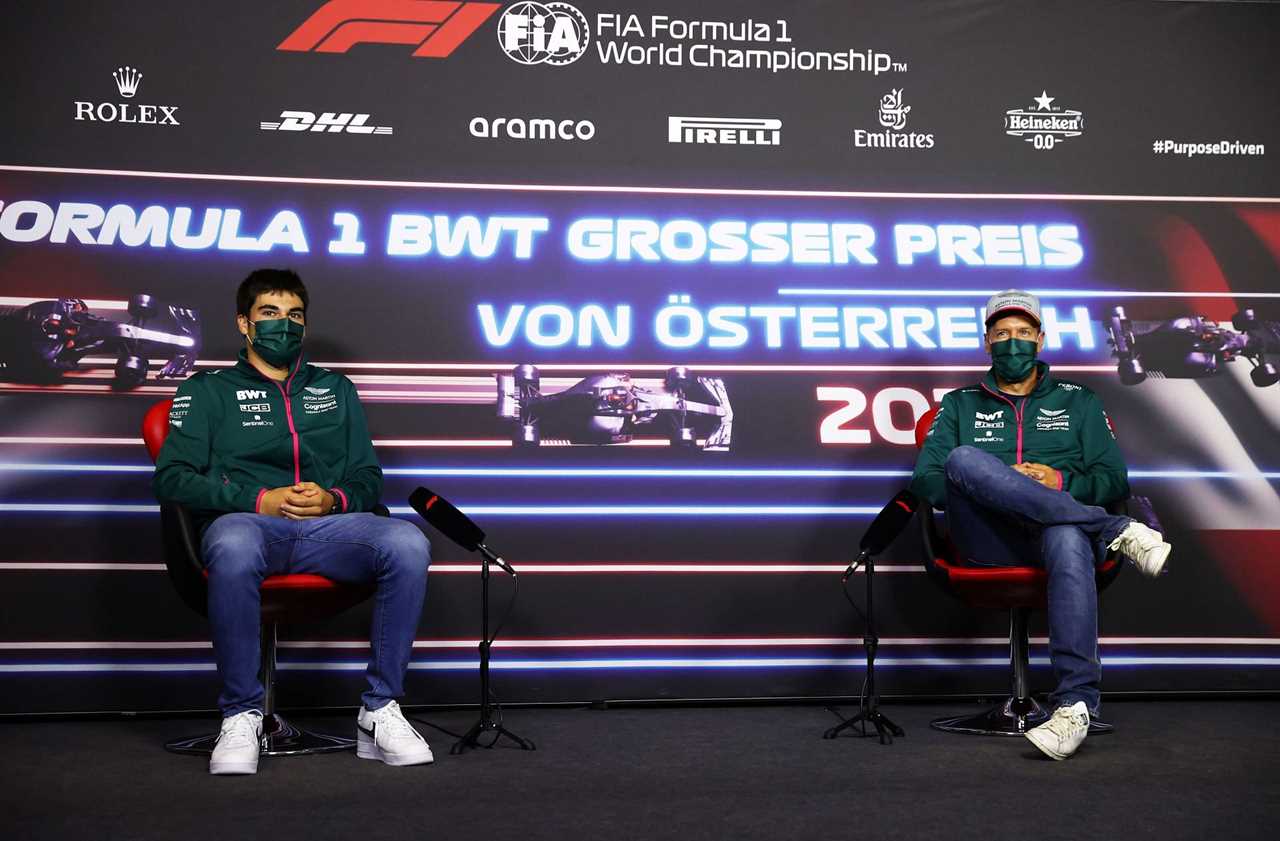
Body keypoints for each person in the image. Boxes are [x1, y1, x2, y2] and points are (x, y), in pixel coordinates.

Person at [154, 268, 434, 775]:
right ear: (243, 323)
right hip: (246, 526)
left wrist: (333, 499)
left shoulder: (335, 388)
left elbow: (369, 477)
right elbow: (172, 479)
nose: (283, 324)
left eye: (294, 315)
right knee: (236, 543)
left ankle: (379, 710)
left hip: (329, 532)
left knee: (407, 542)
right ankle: (242, 714)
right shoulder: (206, 389)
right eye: (269, 313)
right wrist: (258, 499)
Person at [910, 289, 1172, 760]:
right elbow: (928, 483)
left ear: (1041, 339)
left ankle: (1074, 708)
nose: (1014, 343)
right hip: (987, 540)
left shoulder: (1081, 402)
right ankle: (1115, 531)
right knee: (965, 459)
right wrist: (1001, 485)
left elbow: (1114, 479)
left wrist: (1058, 479)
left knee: (1067, 534)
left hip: (1059, 542)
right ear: (986, 342)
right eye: (1003, 334)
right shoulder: (957, 405)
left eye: (1024, 333)